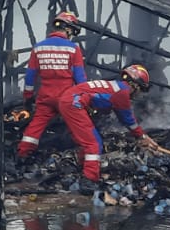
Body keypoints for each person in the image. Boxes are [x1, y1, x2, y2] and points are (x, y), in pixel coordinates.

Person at [59, 65, 160, 193]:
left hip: (69, 101)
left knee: (89, 140)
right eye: (140, 89)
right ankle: (88, 181)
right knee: (94, 144)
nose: (138, 93)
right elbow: (128, 120)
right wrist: (142, 137)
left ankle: (83, 167)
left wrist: (142, 136)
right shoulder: (122, 93)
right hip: (74, 104)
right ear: (134, 85)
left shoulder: (116, 86)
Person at [17, 11, 87, 158]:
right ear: (68, 29)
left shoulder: (38, 48)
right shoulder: (73, 49)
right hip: (66, 97)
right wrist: (86, 99)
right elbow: (80, 78)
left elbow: (30, 77)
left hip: (46, 96)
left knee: (35, 127)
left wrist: (28, 98)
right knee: (77, 125)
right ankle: (84, 155)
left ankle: (23, 153)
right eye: (72, 31)